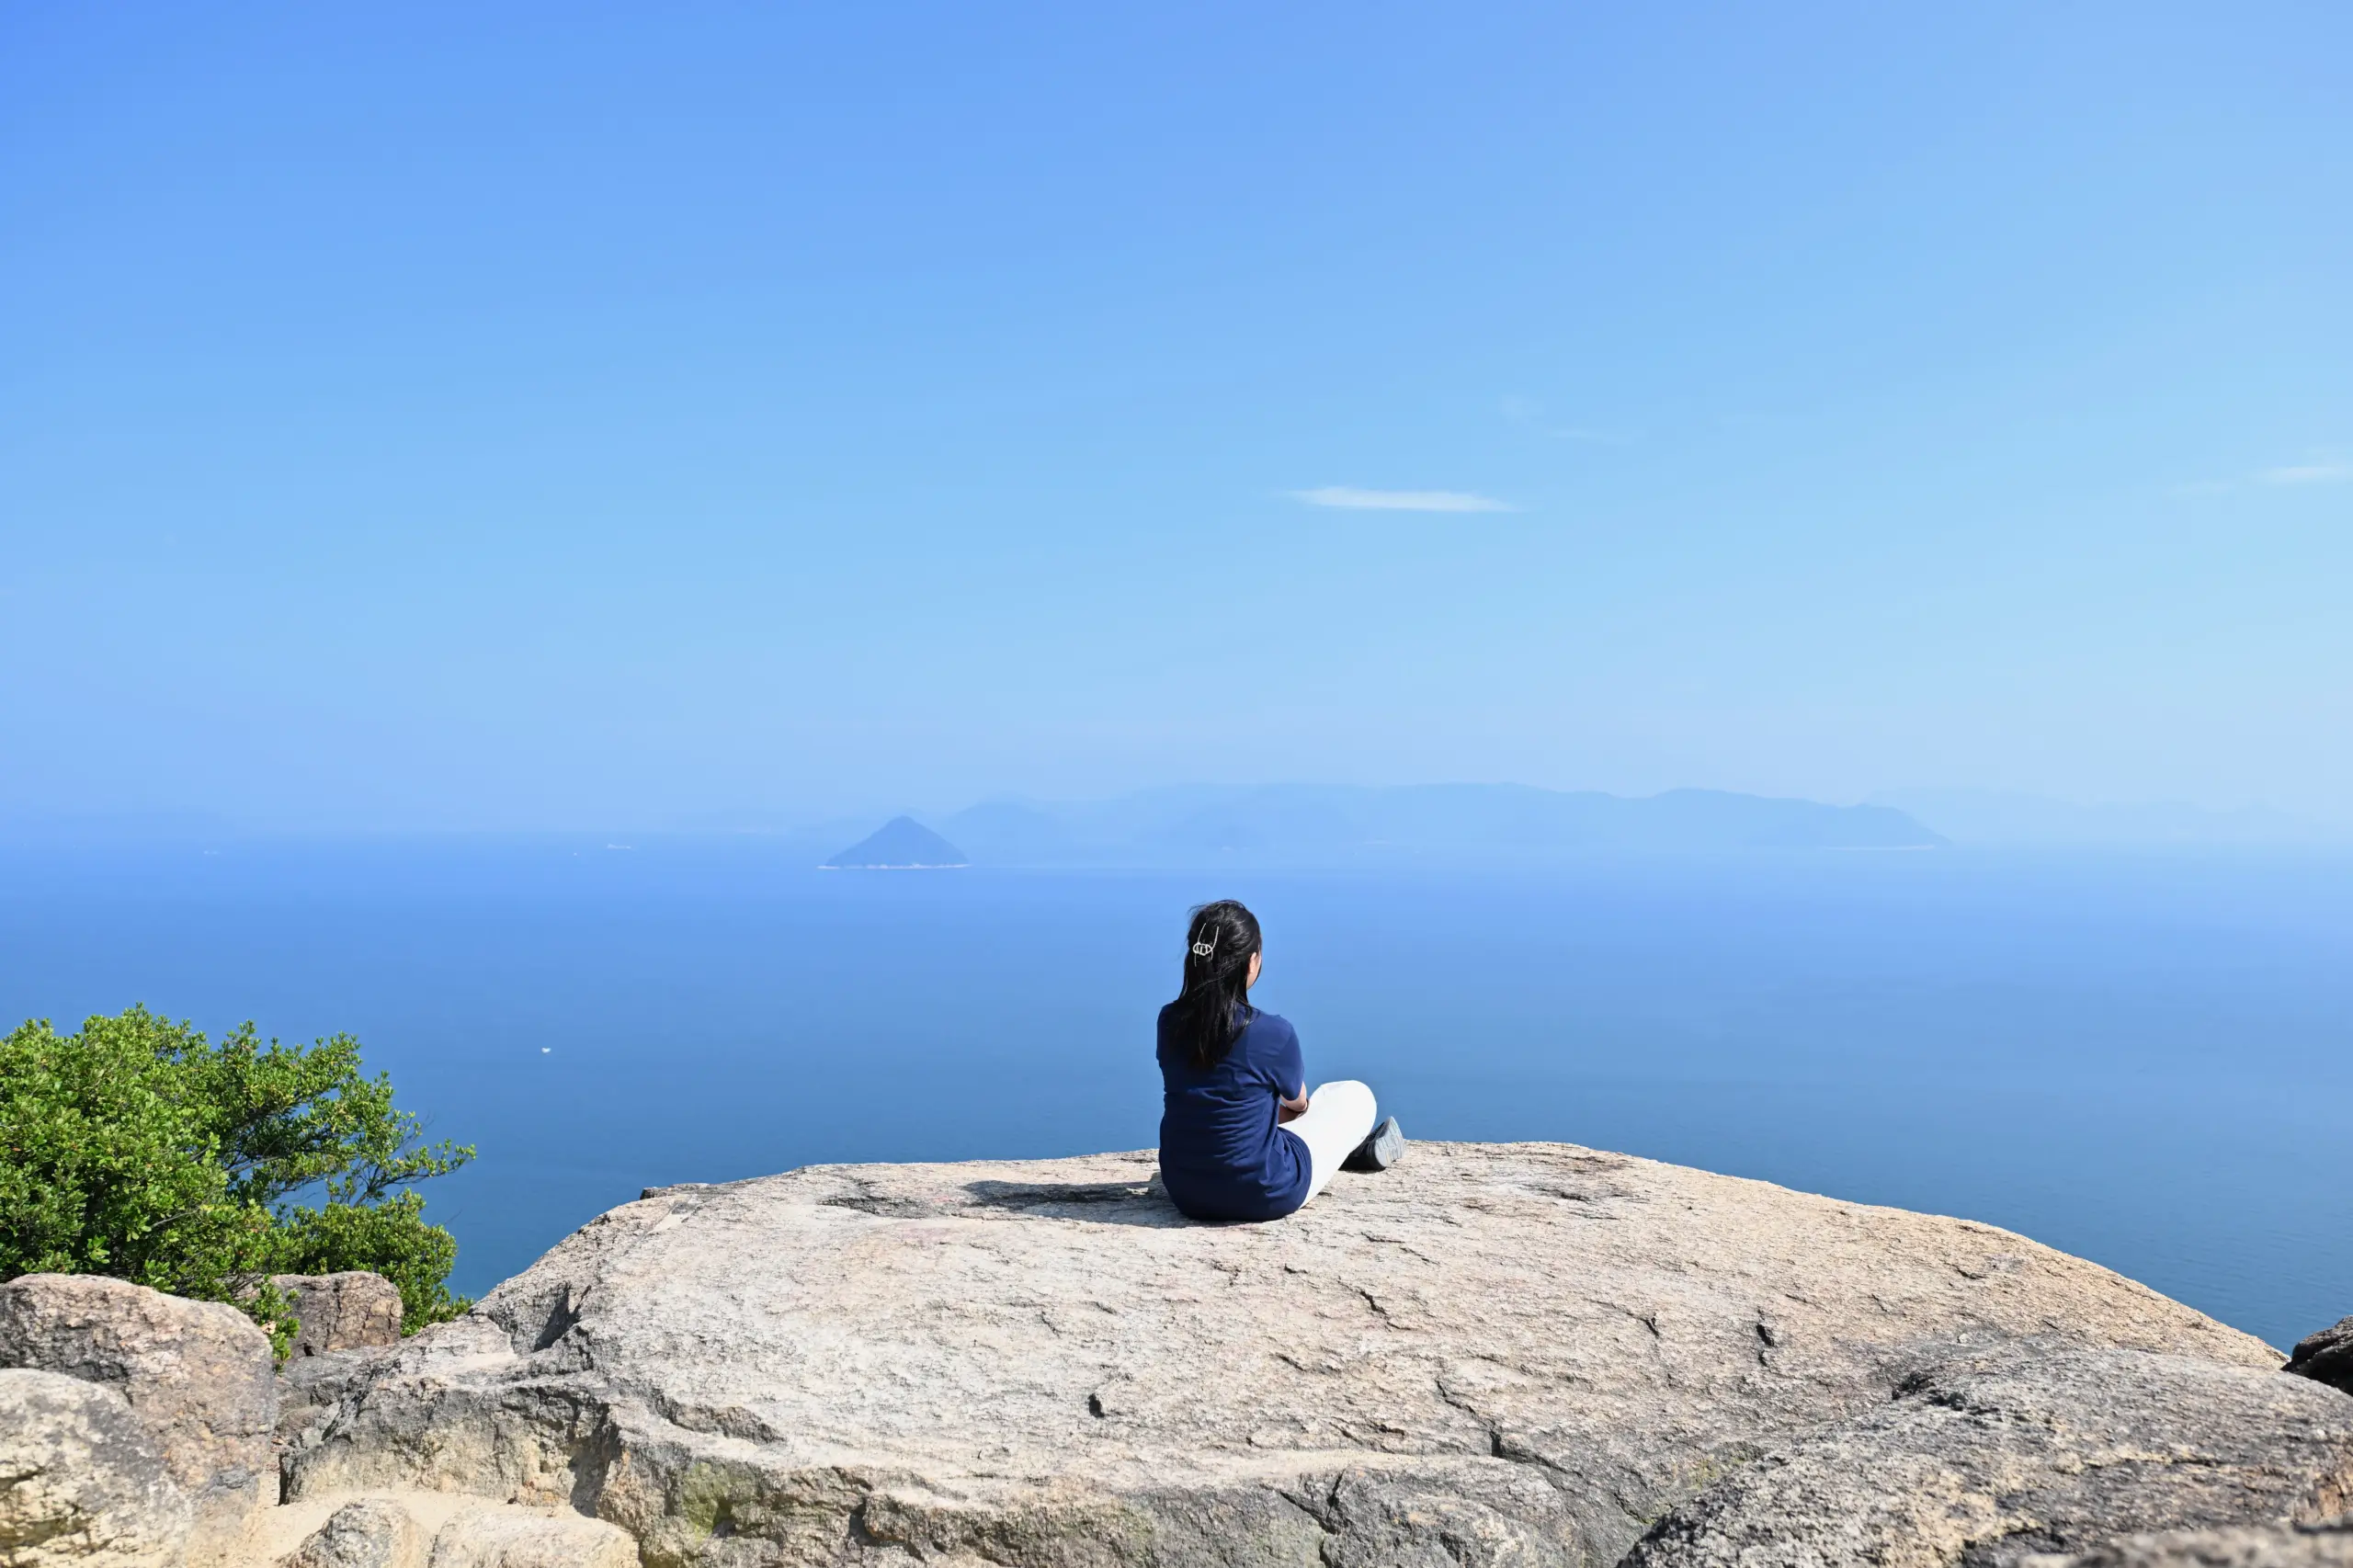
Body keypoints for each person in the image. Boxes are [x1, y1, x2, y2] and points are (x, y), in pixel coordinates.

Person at [1155, 899, 1403, 1221]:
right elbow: (1298, 1105)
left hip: (1185, 1191)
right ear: (1251, 962)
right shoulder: (1272, 1033)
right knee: (1354, 1095)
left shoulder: (1169, 1021)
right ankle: (1352, 1150)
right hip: (1262, 1192)